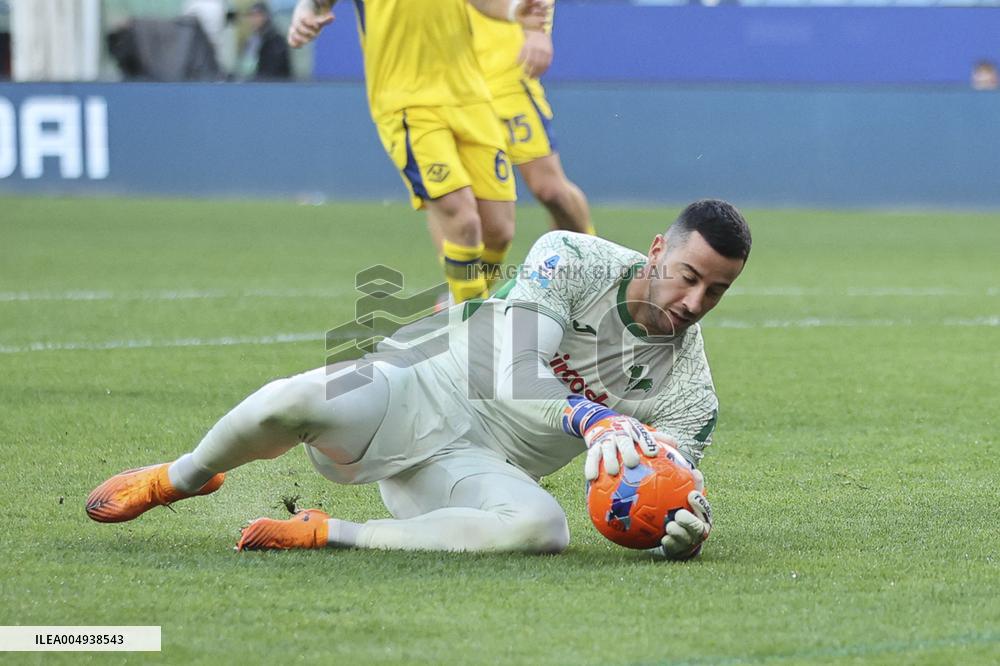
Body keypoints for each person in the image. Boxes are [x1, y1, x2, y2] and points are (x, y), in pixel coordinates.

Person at [86, 200, 751, 560]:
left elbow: (674, 482)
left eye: (717, 291)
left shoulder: (690, 390)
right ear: (658, 250)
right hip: (417, 387)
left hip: (474, 470)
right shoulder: (572, 256)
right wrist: (593, 417)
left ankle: (325, 532)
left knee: (541, 529)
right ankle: (181, 477)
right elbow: (507, 369)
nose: (695, 302)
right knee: (291, 401)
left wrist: (683, 530)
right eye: (689, 277)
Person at [286, 0, 548, 304]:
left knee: (498, 230)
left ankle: (463, 303)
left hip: (470, 98)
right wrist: (306, 9)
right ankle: (472, 330)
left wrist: (516, 11)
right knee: (462, 220)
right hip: (408, 103)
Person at [469, 4, 596, 247]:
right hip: (453, 79)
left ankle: (592, 258)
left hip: (507, 75)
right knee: (464, 204)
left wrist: (538, 30)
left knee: (550, 190)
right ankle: (467, 284)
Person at [237, 2, 292, 81]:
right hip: (250, 85)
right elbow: (244, 66)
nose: (254, 19)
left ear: (266, 17)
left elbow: (274, 70)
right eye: (251, 15)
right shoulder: (251, 41)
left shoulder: (276, 41)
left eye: (257, 15)